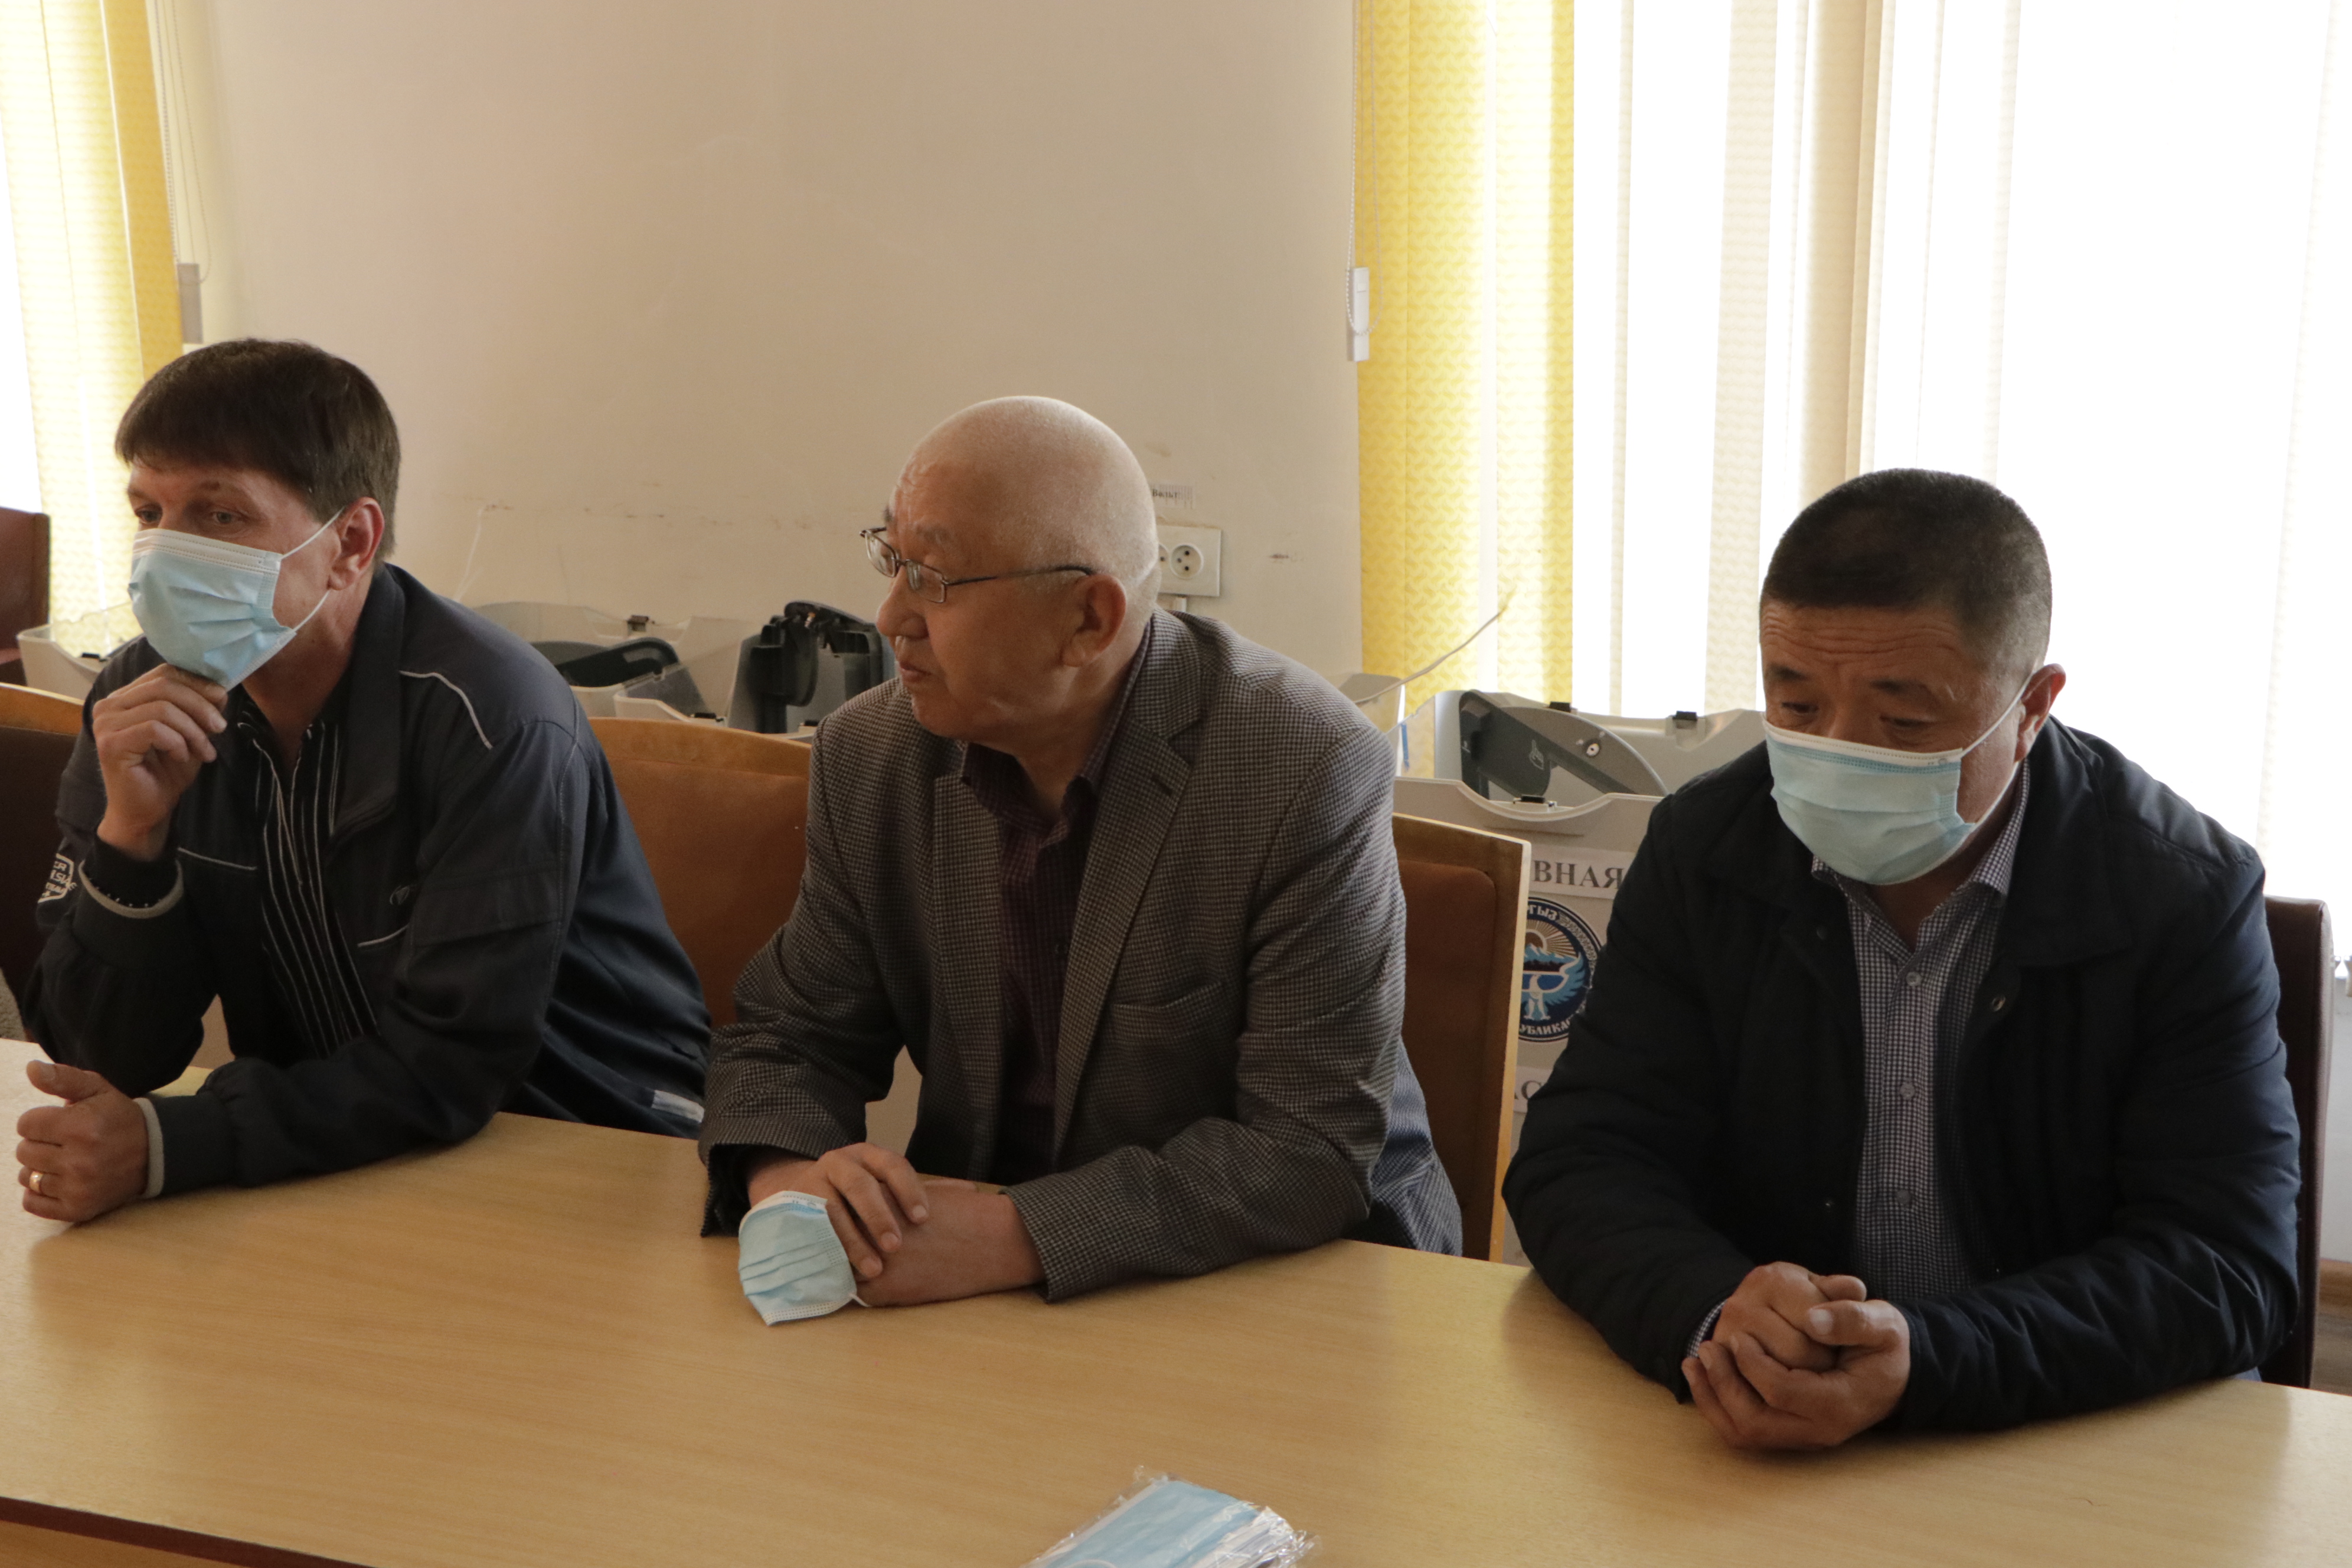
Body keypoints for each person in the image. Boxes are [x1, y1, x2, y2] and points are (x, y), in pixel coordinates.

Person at [1504, 468, 2299, 1445]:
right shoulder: (1706, 848)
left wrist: (1931, 1359)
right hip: (1765, 1436)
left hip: (2066, 1437)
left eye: (1906, 722)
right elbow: (1582, 1160)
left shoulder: (2177, 893)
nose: (1843, 754)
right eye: (1797, 706)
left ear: (2033, 706)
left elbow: (2224, 1264)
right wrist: (1718, 1313)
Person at [698, 396, 1460, 1304]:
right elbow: (793, 1036)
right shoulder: (874, 754)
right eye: (891, 560)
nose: (892, 614)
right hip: (990, 1287)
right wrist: (790, 1180)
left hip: (1285, 1281)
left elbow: (1306, 1149)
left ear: (1090, 620)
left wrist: (1014, 1235)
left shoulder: (1301, 765)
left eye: (933, 578)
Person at [19, 339, 709, 1223]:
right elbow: (97, 1060)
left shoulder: (491, 714)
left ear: (350, 542)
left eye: (220, 515)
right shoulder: (136, 698)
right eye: (149, 513)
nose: (166, 554)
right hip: (343, 1151)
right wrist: (131, 841)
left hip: (587, 1145)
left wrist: (173, 1144)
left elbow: (455, 1063)